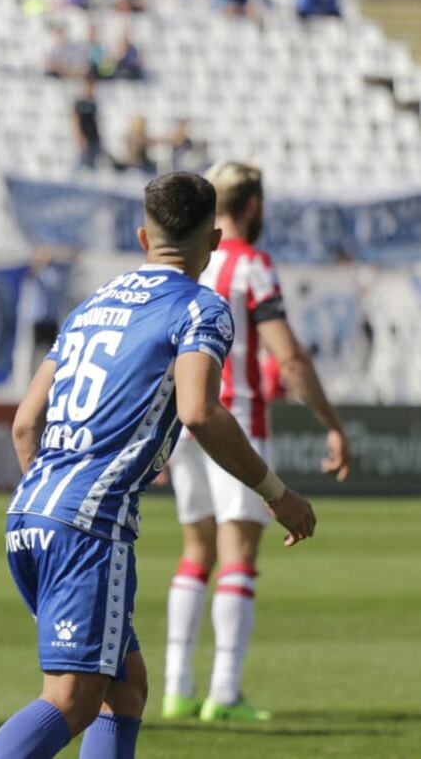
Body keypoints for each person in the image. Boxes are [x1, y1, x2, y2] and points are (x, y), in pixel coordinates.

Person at [0, 171, 316, 759]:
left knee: (126, 690)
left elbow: (23, 425)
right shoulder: (200, 308)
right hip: (88, 524)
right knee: (70, 700)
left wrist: (54, 494)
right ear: (213, 243)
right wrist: (276, 491)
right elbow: (199, 412)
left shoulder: (91, 305)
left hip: (30, 511)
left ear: (143, 237)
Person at [162, 161, 350, 723]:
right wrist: (332, 422)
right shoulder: (252, 266)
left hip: (183, 423)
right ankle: (223, 692)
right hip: (234, 420)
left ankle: (176, 689)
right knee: (238, 554)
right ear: (254, 206)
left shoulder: (188, 261)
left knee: (196, 551)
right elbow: (288, 357)